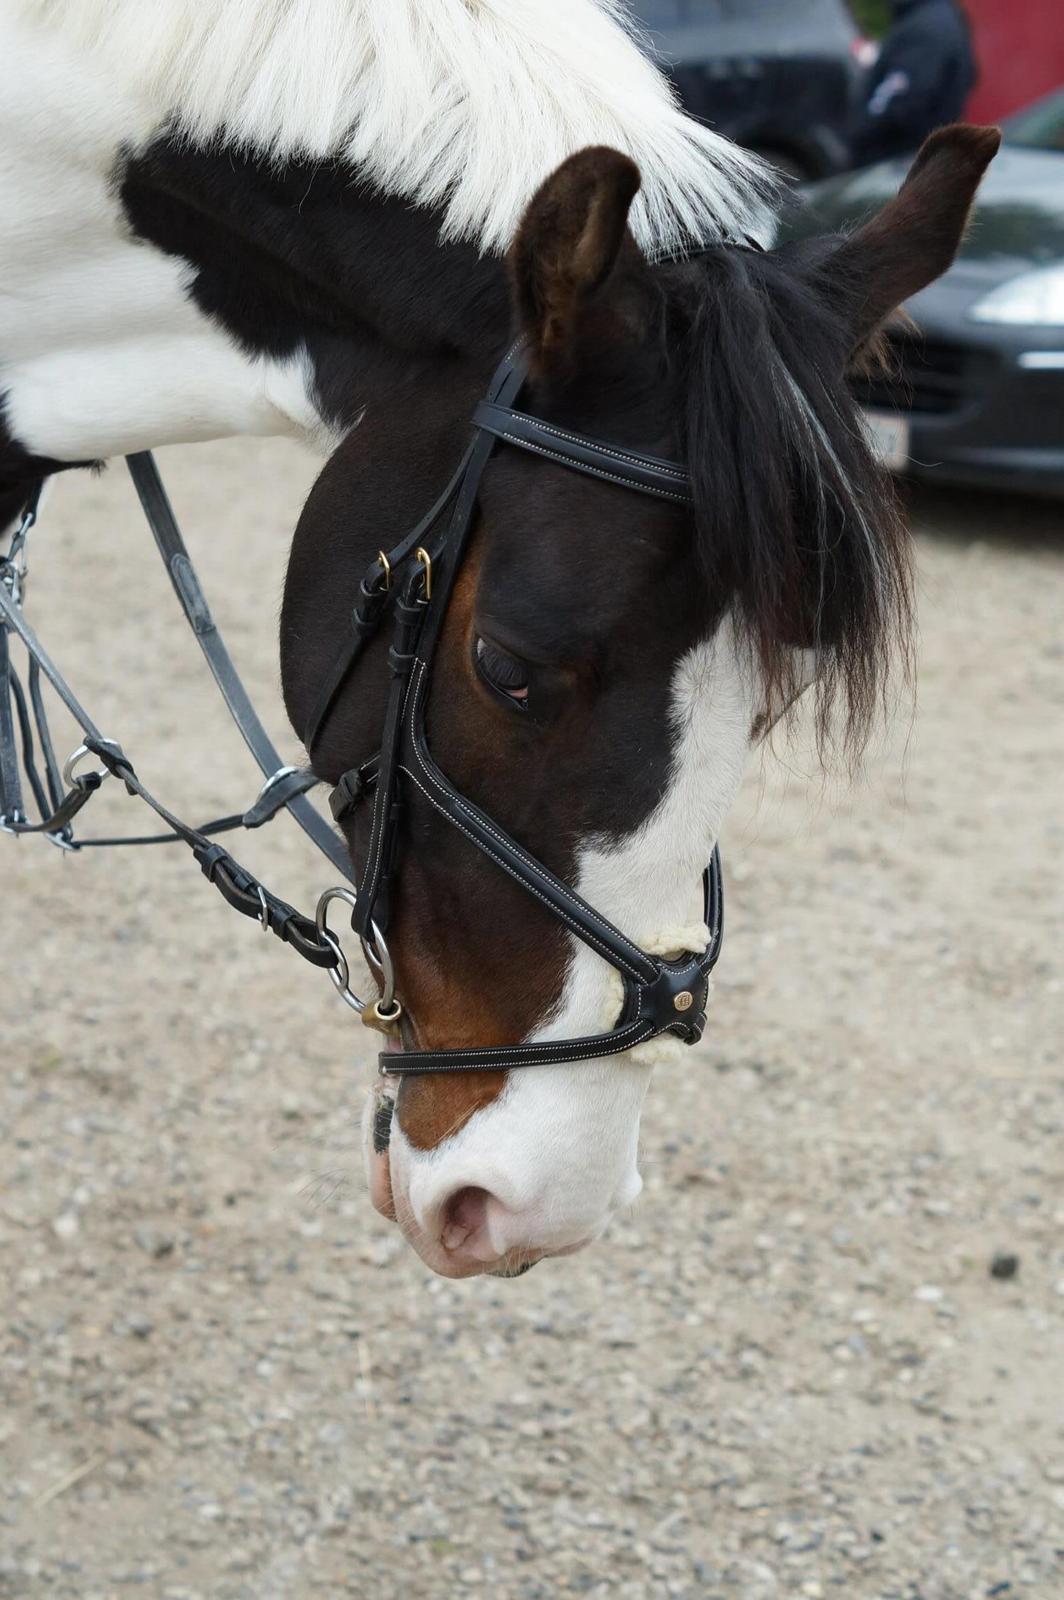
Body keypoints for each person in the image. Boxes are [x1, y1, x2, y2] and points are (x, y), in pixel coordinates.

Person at [850, 0, 978, 167]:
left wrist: (858, 132)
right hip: (924, 159)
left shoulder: (924, 28)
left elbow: (899, 101)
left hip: (897, 164)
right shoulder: (943, 16)